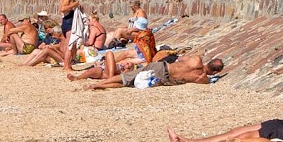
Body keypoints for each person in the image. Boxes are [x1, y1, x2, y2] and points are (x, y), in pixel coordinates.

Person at [84, 53, 223, 90]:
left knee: (126, 77)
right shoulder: (203, 80)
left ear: (209, 62)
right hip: (164, 80)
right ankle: (101, 86)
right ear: (214, 72)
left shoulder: (196, 60)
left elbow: (178, 59)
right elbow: (206, 80)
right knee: (128, 84)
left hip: (163, 68)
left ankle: (98, 84)